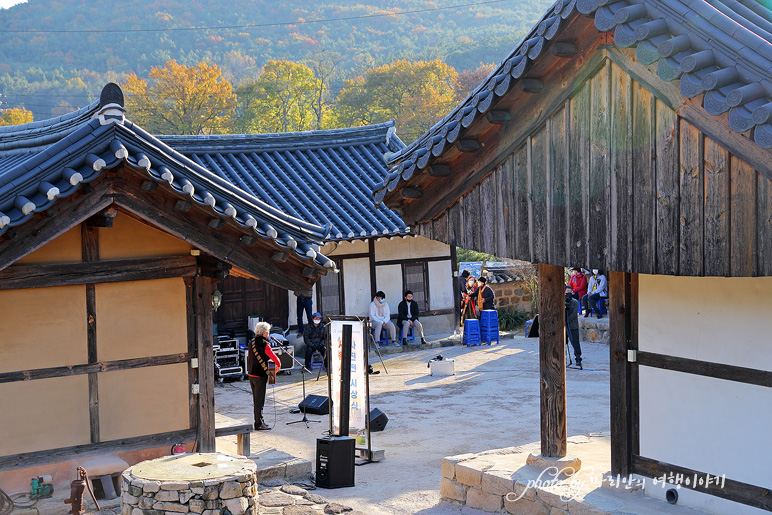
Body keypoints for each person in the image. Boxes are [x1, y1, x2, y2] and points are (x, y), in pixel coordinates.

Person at [247, 321, 281, 430]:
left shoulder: (251, 342)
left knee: (256, 400)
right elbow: (276, 359)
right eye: (268, 332)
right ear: (265, 333)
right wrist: (277, 367)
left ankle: (259, 421)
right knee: (260, 401)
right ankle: (258, 424)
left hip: (251, 374)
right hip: (260, 375)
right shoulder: (265, 344)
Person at [565, 286, 582, 369]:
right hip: (563, 326)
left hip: (572, 326)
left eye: (570, 292)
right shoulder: (562, 301)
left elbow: (574, 314)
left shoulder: (575, 302)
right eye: (567, 291)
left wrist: (566, 320)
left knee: (575, 342)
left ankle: (578, 358)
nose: (568, 293)